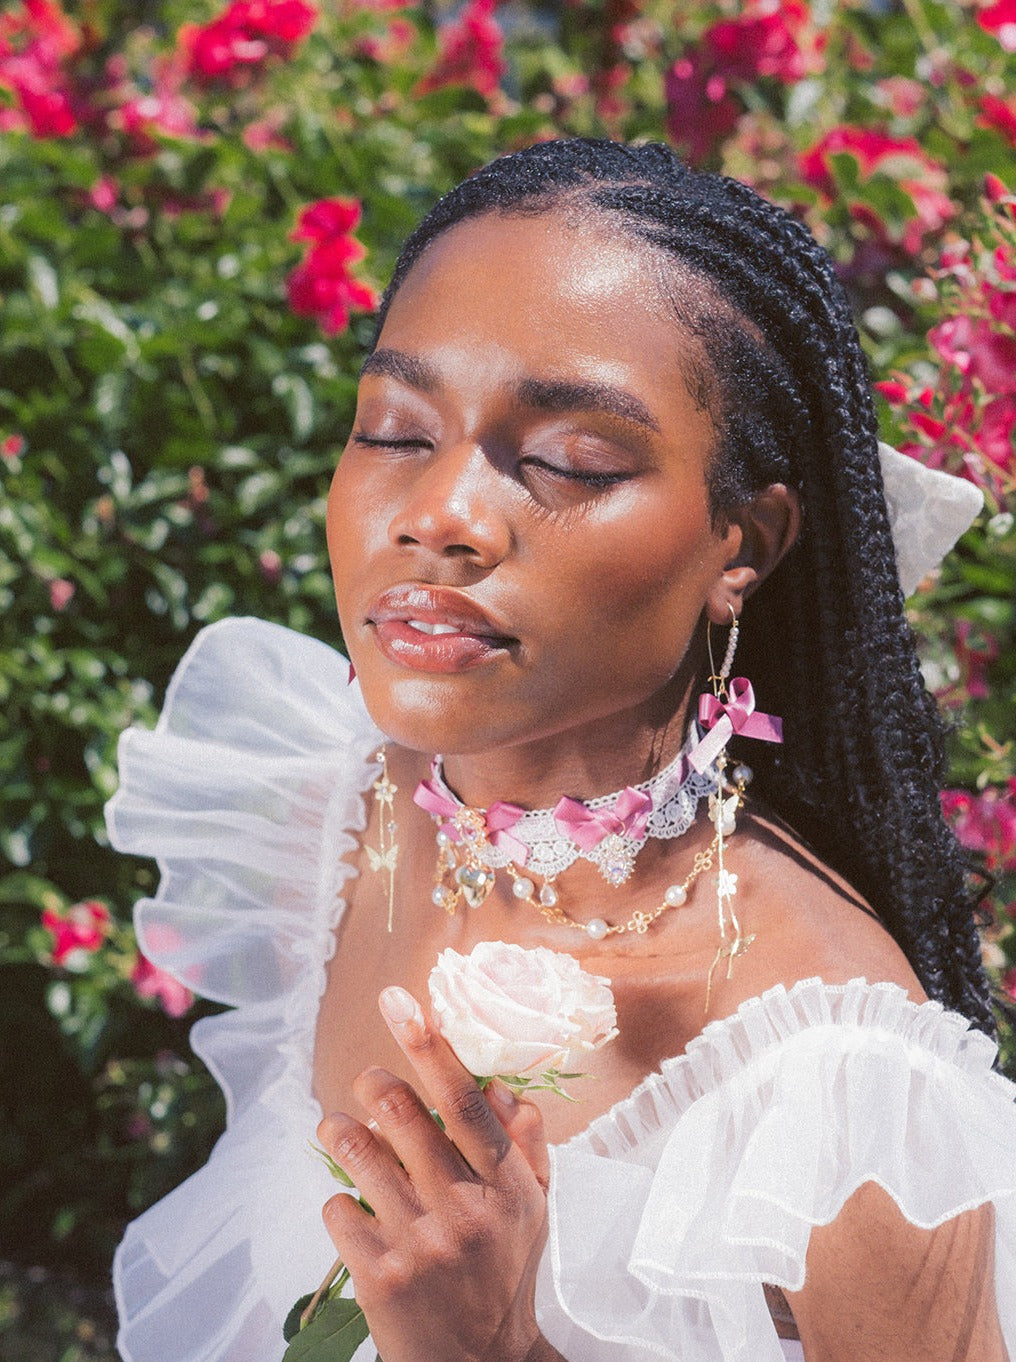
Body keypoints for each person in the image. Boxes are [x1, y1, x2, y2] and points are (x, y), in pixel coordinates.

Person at [106, 138, 1016, 1362]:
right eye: (391, 429)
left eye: (567, 462)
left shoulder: (842, 1097)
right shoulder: (334, 814)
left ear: (739, 542)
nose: (438, 517)